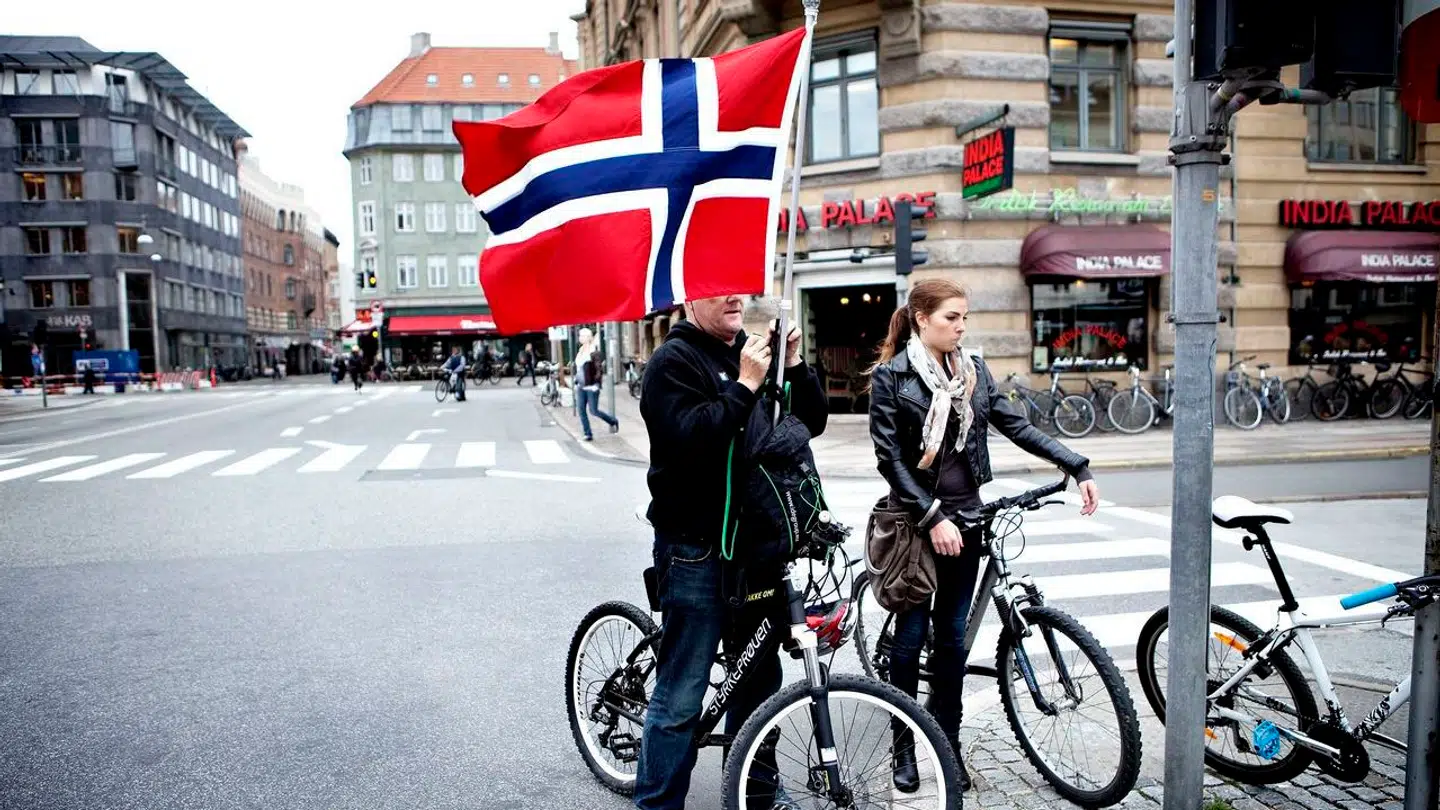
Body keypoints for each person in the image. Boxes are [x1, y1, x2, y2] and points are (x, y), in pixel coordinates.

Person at [868, 278, 1099, 792]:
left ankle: (944, 748)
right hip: (916, 524)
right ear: (922, 318)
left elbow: (1015, 424)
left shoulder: (972, 371)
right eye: (952, 317)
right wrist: (932, 517)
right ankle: (902, 748)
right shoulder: (893, 378)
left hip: (968, 521)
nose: (961, 326)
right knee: (908, 643)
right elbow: (890, 460)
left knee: (951, 641)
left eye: (965, 317)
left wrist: (1076, 464)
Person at [635, 295, 827, 810]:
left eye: (738, 285)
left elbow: (810, 420)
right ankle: (657, 803)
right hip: (695, 549)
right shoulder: (673, 362)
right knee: (682, 693)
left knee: (759, 685)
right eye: (719, 286)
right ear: (692, 298)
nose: (735, 297)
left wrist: (793, 365)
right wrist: (744, 386)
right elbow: (691, 440)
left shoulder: (752, 350)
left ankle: (754, 794)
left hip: (756, 548)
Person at [574, 327, 619, 440]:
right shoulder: (580, 350)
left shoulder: (593, 351)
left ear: (588, 338)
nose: (580, 338)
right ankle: (588, 433)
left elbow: (599, 369)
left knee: (594, 411)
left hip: (591, 386)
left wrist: (596, 384)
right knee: (581, 410)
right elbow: (579, 368)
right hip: (581, 385)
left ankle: (613, 420)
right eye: (580, 335)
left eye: (582, 336)